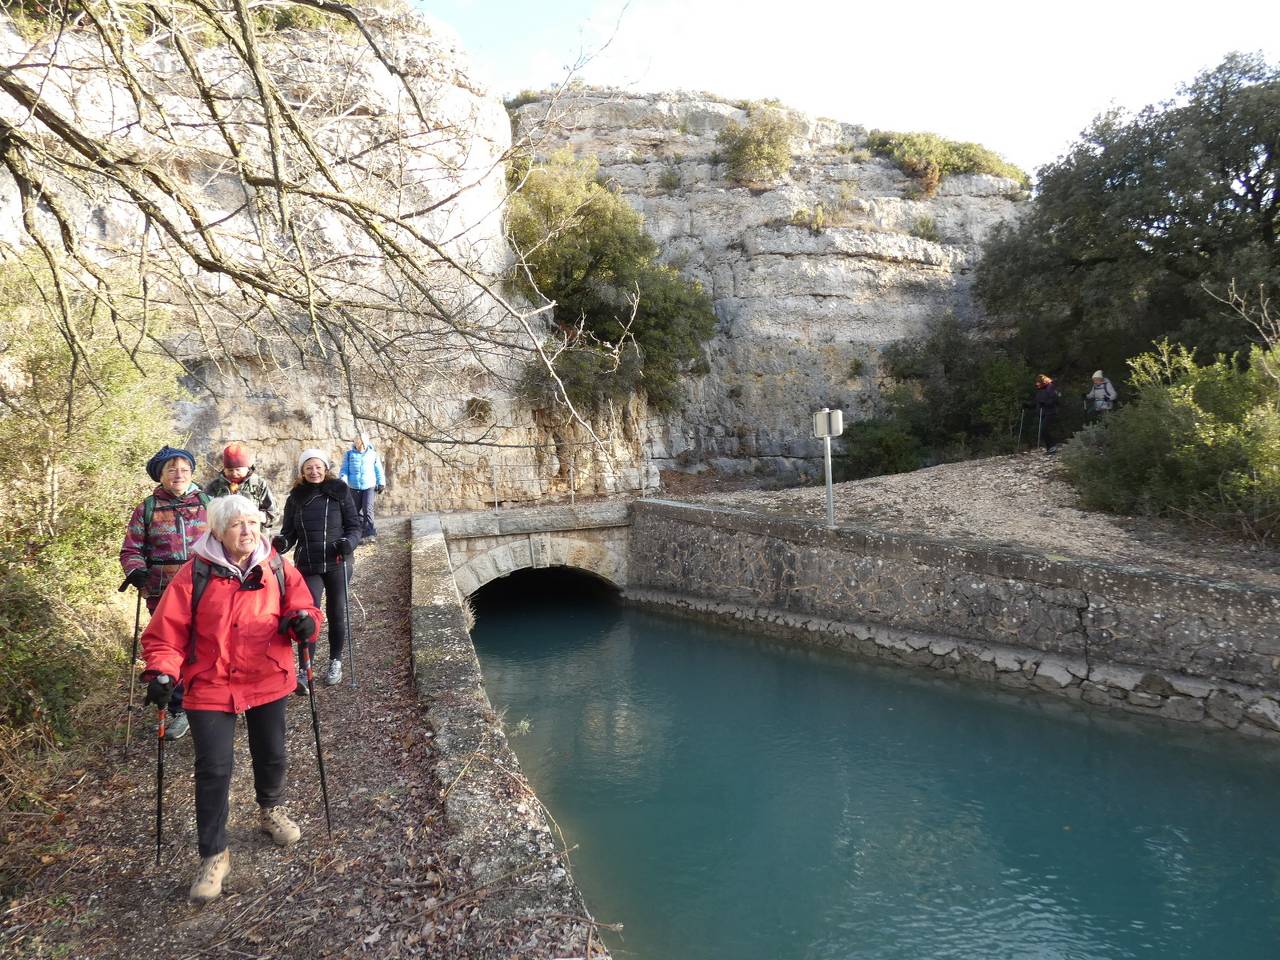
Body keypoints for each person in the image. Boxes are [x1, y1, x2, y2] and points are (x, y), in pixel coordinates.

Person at [140, 494, 321, 905]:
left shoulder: (275, 565)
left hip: (267, 676)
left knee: (272, 752)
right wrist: (163, 670)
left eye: (253, 523)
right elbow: (166, 633)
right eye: (237, 525)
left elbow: (303, 606)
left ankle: (271, 809)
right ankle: (213, 854)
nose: (247, 531)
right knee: (214, 768)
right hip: (211, 683)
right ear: (218, 531)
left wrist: (306, 622)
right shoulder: (193, 574)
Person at [120, 445, 210, 740]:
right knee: (171, 648)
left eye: (184, 470)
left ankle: (213, 701)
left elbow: (225, 540)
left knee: (209, 641)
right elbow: (131, 548)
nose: (178, 475)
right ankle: (180, 709)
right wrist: (136, 570)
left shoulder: (207, 503)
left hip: (206, 585)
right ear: (160, 475)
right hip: (162, 589)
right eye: (171, 470)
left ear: (192, 473)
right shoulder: (147, 507)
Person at [273, 449, 360, 686]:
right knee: (307, 615)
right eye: (309, 467)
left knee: (336, 612)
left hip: (338, 561)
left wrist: (348, 543)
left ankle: (335, 661)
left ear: (325, 468)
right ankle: (305, 668)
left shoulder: (340, 492)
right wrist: (281, 543)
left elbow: (354, 527)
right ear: (302, 471)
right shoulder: (295, 498)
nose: (314, 471)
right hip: (308, 564)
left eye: (318, 467)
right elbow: (289, 533)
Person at [205, 442, 278, 528]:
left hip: (253, 534)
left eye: (238, 470)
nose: (234, 473)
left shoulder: (258, 484)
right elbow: (206, 512)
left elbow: (273, 513)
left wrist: (262, 517)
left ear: (247, 468)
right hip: (225, 534)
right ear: (224, 469)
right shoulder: (216, 486)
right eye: (230, 470)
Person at [339, 434, 385, 540]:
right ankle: (359, 530)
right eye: (356, 442)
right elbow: (344, 470)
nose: (358, 445)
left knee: (367, 509)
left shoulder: (373, 454)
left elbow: (378, 470)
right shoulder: (349, 454)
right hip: (354, 487)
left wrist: (381, 483)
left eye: (360, 442)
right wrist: (343, 482)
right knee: (354, 510)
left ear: (365, 443)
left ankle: (370, 532)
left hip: (369, 486)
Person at [1032, 374, 1061, 452]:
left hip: (1050, 412)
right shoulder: (1040, 389)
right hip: (1043, 413)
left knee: (1044, 430)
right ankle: (1050, 448)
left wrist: (1045, 403)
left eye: (1039, 382)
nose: (1037, 384)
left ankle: (1052, 446)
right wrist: (1028, 406)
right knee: (1044, 430)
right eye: (1037, 382)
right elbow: (1037, 402)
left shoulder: (1050, 387)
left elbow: (1054, 400)